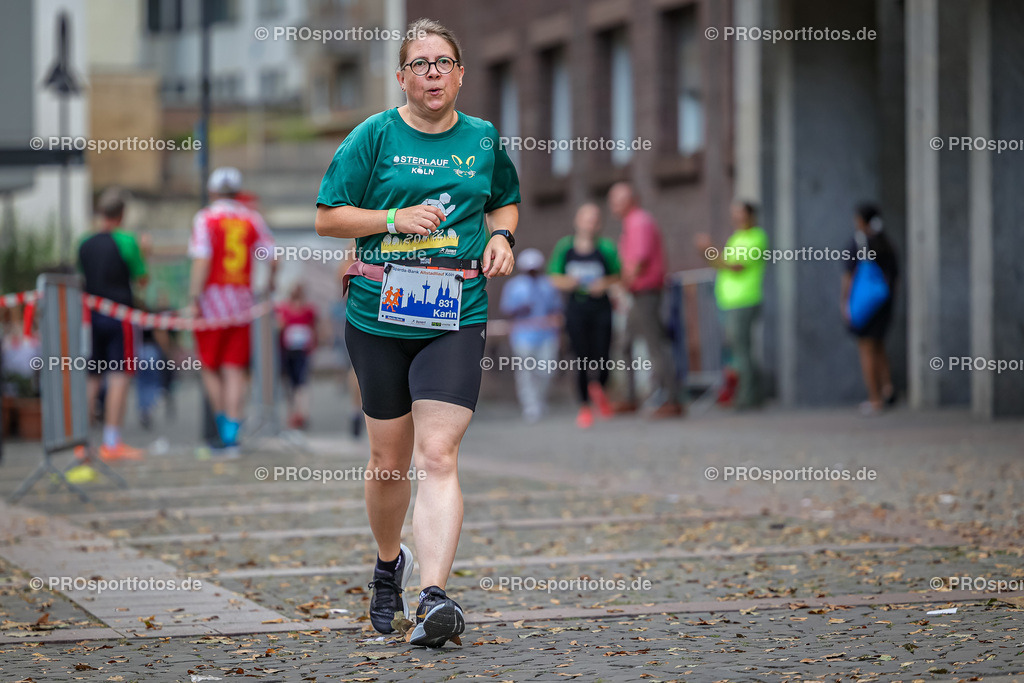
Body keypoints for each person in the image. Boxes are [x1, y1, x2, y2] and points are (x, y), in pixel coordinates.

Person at [315, 18, 519, 648]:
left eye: (444, 63)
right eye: (421, 63)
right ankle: (387, 565)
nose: (433, 73)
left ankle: (433, 596)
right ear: (401, 76)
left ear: (460, 74)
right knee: (388, 461)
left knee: (438, 455)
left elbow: (504, 200)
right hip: (379, 311)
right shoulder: (373, 136)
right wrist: (393, 217)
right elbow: (327, 218)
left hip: (455, 311)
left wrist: (503, 237)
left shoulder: (483, 140)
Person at [188, 167, 277, 456]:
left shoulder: (205, 218)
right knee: (234, 369)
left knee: (209, 366)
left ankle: (223, 426)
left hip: (211, 303)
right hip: (242, 303)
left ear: (213, 191)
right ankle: (233, 436)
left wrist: (193, 298)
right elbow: (273, 258)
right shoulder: (252, 219)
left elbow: (202, 260)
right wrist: (269, 286)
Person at [78, 187, 148, 461]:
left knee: (92, 375)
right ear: (122, 214)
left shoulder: (84, 242)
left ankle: (82, 442)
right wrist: (146, 253)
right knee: (119, 375)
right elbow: (141, 279)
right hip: (121, 317)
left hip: (91, 316)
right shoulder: (127, 242)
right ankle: (111, 441)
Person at [607, 183, 683, 418]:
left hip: (645, 292)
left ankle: (672, 399)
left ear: (630, 200)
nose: (613, 206)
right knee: (626, 343)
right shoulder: (633, 222)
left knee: (654, 345)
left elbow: (638, 261)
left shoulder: (638, 222)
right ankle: (630, 397)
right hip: (638, 292)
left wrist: (621, 286)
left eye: (617, 201)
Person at [548, 203, 620, 428]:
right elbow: (553, 276)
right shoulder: (565, 248)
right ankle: (584, 406)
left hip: (601, 308)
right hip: (576, 309)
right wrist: (569, 282)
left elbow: (618, 276)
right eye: (586, 219)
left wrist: (603, 284)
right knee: (580, 357)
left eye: (595, 219)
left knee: (603, 353)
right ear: (577, 221)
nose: (591, 223)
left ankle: (599, 386)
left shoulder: (606, 248)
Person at [697, 201, 768, 411]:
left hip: (745, 300)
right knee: (739, 350)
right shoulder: (736, 237)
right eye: (734, 213)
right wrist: (708, 253)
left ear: (751, 216)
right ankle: (753, 394)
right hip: (730, 301)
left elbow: (735, 267)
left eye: (740, 213)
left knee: (741, 351)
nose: (736, 217)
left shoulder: (756, 237)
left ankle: (747, 397)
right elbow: (721, 263)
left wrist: (709, 250)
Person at [841, 203, 898, 416]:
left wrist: (845, 301)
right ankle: (887, 387)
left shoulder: (859, 243)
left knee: (866, 349)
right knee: (880, 346)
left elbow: (848, 276)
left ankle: (874, 398)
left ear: (861, 221)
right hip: (884, 303)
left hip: (864, 305)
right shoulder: (887, 243)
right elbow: (895, 278)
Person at [499, 248, 562, 423]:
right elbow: (507, 309)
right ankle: (530, 405)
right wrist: (520, 308)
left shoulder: (548, 284)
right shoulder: (514, 285)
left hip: (547, 333)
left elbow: (556, 309)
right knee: (526, 371)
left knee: (546, 370)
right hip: (522, 334)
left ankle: (540, 400)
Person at [276, 281, 318, 430]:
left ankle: (302, 414)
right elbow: (278, 328)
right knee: (289, 384)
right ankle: (292, 413)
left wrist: (314, 344)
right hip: (287, 351)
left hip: (302, 352)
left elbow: (314, 328)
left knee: (301, 383)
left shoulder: (309, 310)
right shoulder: (282, 309)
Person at [333, 256, 364, 438]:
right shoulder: (355, 247)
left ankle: (356, 411)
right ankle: (356, 410)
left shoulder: (351, 253)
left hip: (356, 310)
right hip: (359, 313)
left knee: (356, 367)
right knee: (356, 367)